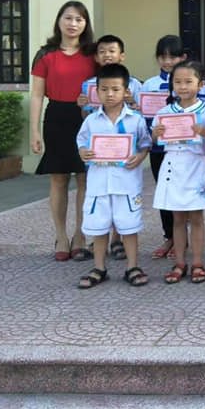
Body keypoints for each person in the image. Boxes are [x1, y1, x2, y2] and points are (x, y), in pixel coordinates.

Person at [30, 1, 97, 262]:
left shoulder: (93, 54)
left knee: (84, 178)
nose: (73, 24)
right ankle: (61, 236)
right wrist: (34, 131)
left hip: (87, 119)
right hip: (56, 117)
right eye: (68, 18)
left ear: (85, 24)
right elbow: (37, 95)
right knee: (58, 178)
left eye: (79, 19)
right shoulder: (45, 54)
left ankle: (80, 235)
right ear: (59, 20)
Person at [75, 63, 152, 288]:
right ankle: (99, 267)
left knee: (129, 226)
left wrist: (140, 156)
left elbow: (145, 143)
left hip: (126, 184)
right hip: (99, 184)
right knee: (99, 227)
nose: (110, 94)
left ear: (126, 91)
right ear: (97, 91)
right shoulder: (91, 120)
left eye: (115, 89)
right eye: (104, 89)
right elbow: (81, 141)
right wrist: (83, 152)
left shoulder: (135, 119)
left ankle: (132, 266)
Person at [76, 34, 143, 261]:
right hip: (100, 168)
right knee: (100, 212)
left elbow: (143, 135)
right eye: (102, 51)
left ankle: (123, 251)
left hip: (125, 171)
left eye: (111, 51)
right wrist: (83, 151)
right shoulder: (90, 94)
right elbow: (83, 135)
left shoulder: (135, 89)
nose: (107, 55)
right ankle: (99, 260)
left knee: (126, 214)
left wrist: (141, 155)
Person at [150, 60, 205, 285]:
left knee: (196, 217)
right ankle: (179, 262)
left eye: (188, 81)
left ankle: (197, 262)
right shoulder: (165, 112)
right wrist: (156, 134)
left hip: (196, 165)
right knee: (177, 218)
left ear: (200, 84)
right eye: (178, 82)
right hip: (173, 166)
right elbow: (153, 140)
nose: (183, 86)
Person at [140, 34, 188, 260]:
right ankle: (169, 236)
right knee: (164, 193)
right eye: (162, 57)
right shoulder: (149, 85)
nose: (167, 62)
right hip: (159, 149)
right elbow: (143, 117)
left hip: (184, 149)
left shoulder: (187, 83)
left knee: (184, 193)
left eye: (173, 57)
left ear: (183, 57)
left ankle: (183, 238)